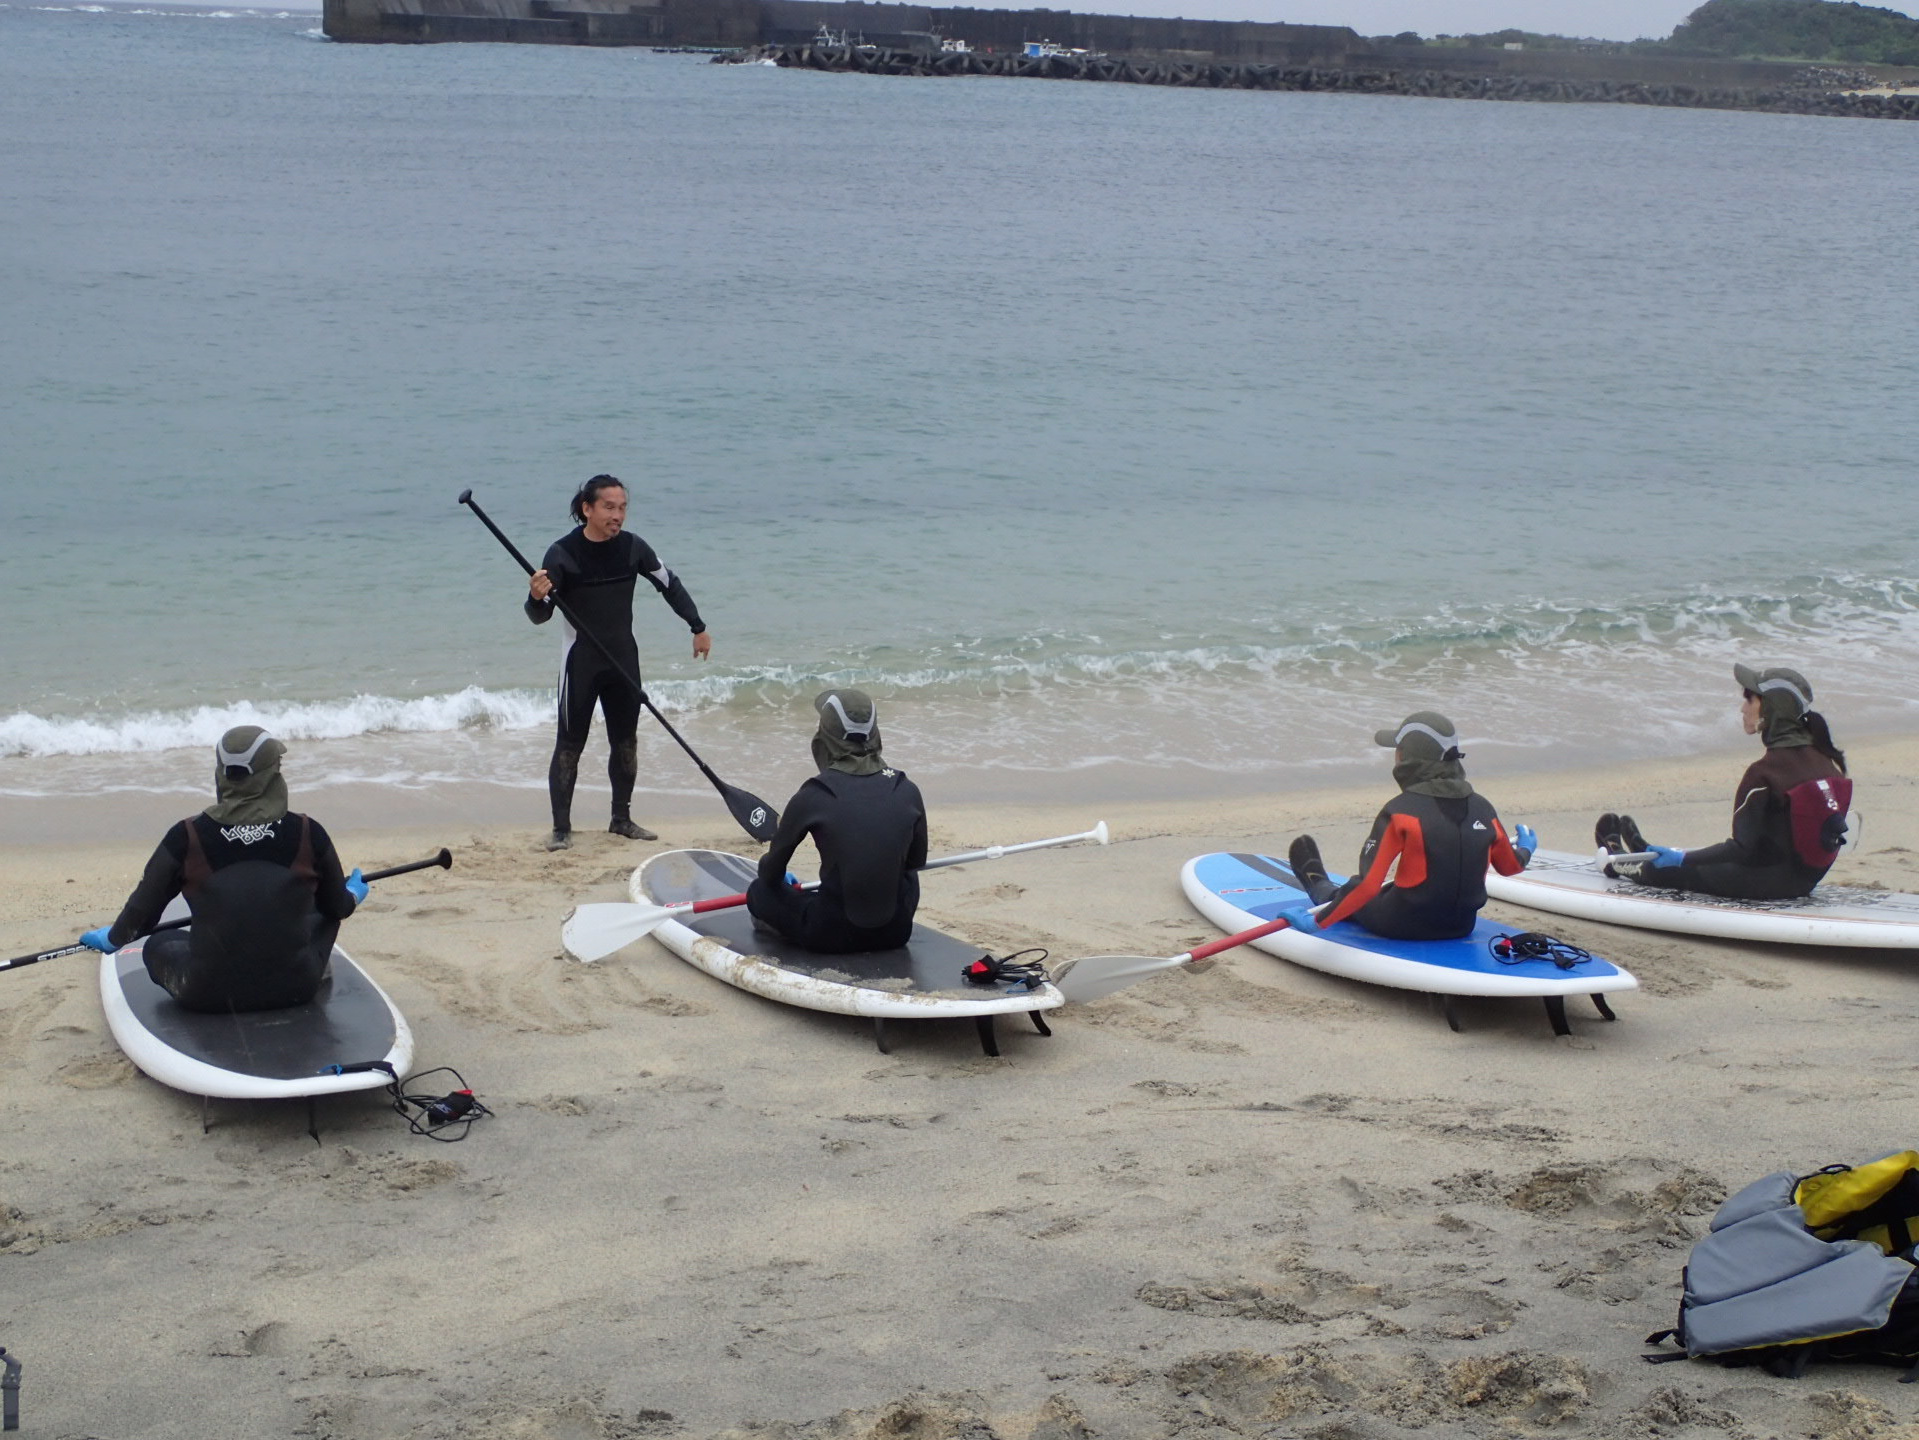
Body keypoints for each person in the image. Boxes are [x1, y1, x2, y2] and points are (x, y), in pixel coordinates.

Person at [78, 726, 367, 1013]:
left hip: (204, 993)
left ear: (222, 774)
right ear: (272, 773)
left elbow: (142, 913)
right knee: (324, 911)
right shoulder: (308, 832)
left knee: (158, 943)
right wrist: (352, 894)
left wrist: (114, 938)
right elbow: (338, 908)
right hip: (297, 988)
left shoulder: (187, 836)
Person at [525, 473, 712, 851]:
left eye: (623, 507)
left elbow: (669, 583)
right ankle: (561, 829)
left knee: (626, 742)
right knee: (569, 746)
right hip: (580, 663)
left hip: (623, 659)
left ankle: (621, 819)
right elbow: (539, 616)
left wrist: (698, 626)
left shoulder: (632, 548)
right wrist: (536, 596)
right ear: (587, 509)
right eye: (609, 507)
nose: (618, 515)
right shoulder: (562, 554)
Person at [1596, 664, 1849, 900]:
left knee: (1669, 870)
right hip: (1803, 882)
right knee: (1701, 859)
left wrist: (1682, 858)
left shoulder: (1764, 774)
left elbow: (1740, 849)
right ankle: (1643, 849)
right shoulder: (1828, 766)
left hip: (1762, 884)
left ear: (1771, 709)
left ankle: (1616, 860)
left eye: (1749, 699)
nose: (1742, 708)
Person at [1287, 711, 1535, 942]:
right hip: (1461, 926)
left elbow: (1367, 886)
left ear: (1405, 757)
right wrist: (1526, 848)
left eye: (1398, 749)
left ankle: (1320, 887)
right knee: (1393, 889)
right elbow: (1510, 867)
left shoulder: (1400, 811)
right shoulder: (1483, 808)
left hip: (1402, 924)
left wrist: (1316, 922)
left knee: (1355, 892)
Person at [747, 689, 928, 954]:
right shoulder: (906, 789)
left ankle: (781, 929)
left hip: (830, 935)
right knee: (905, 874)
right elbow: (915, 862)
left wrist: (783, 883)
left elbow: (769, 874)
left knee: (758, 892)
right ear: (875, 734)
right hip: (896, 932)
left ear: (823, 738)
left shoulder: (813, 794)